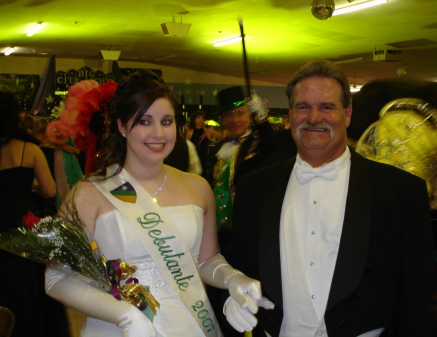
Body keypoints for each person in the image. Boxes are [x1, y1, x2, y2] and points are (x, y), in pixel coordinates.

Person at [45, 70, 271, 337]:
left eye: (166, 121)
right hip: (117, 328)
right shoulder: (90, 192)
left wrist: (232, 278)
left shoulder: (197, 187)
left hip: (188, 324)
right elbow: (56, 277)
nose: (158, 133)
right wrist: (126, 316)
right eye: (144, 121)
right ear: (121, 126)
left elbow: (206, 259)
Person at [222, 59, 437, 336]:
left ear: (347, 114)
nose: (314, 117)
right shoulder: (255, 187)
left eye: (326, 106)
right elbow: (238, 268)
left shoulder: (400, 191)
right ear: (290, 113)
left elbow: (418, 296)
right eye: (303, 106)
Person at [0, 91, 70, 337]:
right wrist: (26, 184)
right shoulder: (29, 150)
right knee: (28, 286)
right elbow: (50, 189)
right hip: (22, 223)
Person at [203, 86, 273, 246]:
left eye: (240, 113)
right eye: (228, 115)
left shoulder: (258, 145)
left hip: (248, 232)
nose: (234, 120)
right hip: (217, 234)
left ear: (250, 115)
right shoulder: (216, 149)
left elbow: (275, 145)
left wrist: (262, 120)